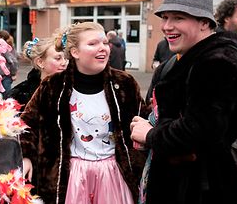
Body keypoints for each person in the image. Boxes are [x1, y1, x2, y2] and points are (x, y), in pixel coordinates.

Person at [130, 0, 237, 204]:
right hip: (183, 186)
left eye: (178, 17)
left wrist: (150, 134)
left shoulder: (218, 62)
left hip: (204, 191)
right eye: (165, 17)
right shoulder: (189, 58)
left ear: (204, 22)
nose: (167, 26)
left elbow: (201, 130)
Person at [20, 22, 146, 203]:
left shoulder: (124, 83)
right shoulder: (53, 86)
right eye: (93, 43)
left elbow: (142, 120)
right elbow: (27, 124)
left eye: (104, 42)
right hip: (71, 177)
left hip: (114, 175)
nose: (102, 48)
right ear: (75, 52)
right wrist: (26, 156)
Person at [4, 35, 68, 107]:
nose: (64, 63)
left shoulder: (72, 88)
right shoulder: (19, 97)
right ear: (40, 62)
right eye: (58, 58)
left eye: (65, 58)